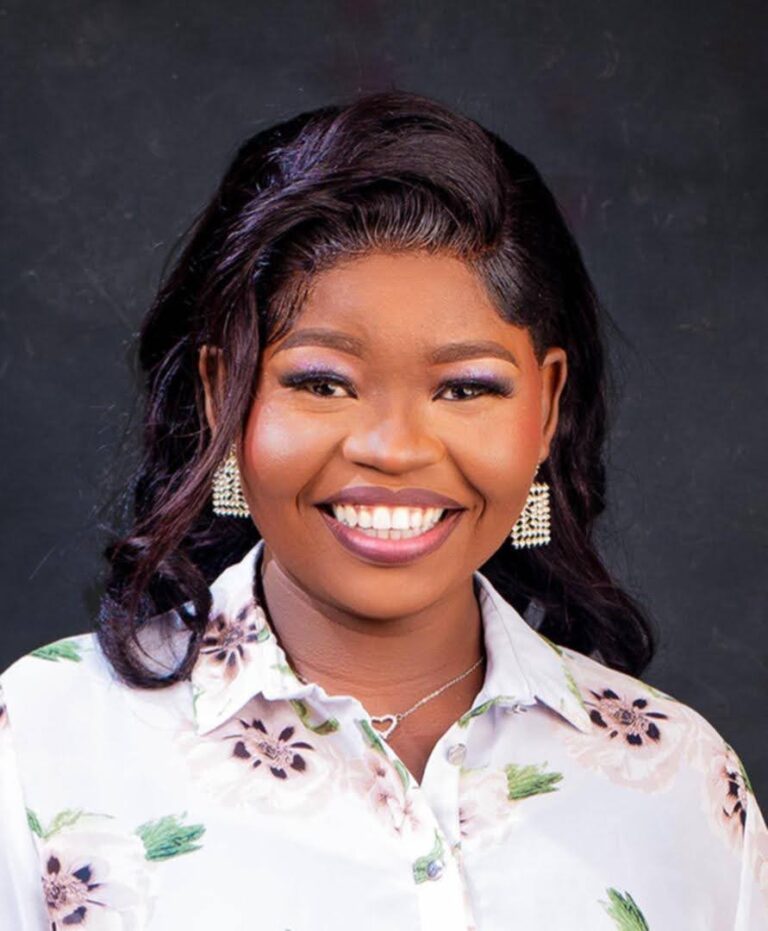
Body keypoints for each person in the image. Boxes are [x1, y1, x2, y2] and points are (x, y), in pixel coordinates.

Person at [1, 90, 765, 930]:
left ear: (546, 406)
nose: (394, 449)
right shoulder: (40, 744)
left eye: (465, 388)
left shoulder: (680, 782)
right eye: (322, 382)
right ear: (223, 396)